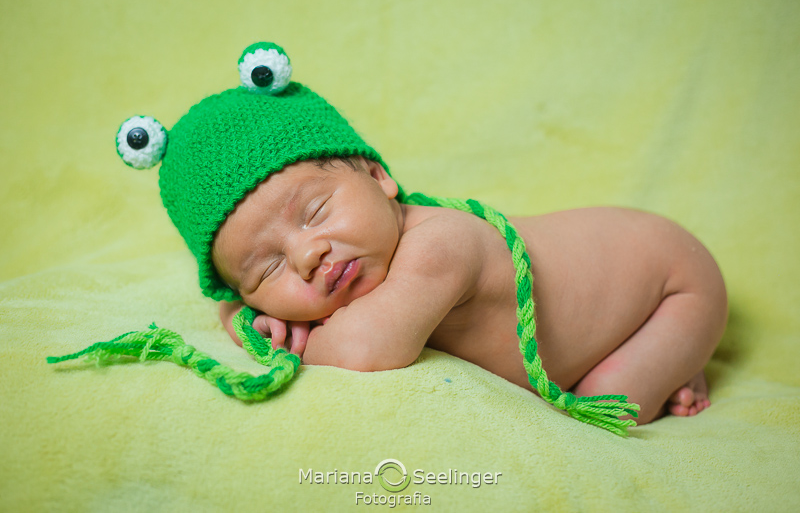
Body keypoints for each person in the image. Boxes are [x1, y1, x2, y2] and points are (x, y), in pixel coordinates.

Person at [110, 42, 728, 431]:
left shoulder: (442, 247)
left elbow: (365, 350)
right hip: (617, 278)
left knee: (608, 402)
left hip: (671, 279)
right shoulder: (363, 258)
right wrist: (248, 306)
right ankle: (672, 352)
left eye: (316, 211)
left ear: (379, 176)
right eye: (265, 270)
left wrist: (240, 325)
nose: (306, 255)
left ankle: (681, 349)